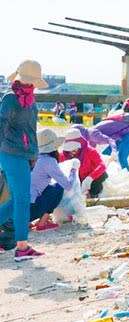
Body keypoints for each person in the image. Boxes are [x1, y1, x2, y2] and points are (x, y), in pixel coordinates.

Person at [0, 60, 47, 260]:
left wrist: (34, 154)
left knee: (16, 199)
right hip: (11, 153)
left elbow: (31, 130)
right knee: (22, 199)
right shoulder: (11, 98)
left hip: (23, 154)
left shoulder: (29, 99)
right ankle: (22, 247)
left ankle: (21, 245)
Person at [31, 129, 79, 231]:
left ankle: (28, 222)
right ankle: (42, 222)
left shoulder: (34, 158)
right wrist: (73, 171)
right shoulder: (49, 160)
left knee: (47, 188)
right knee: (58, 187)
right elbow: (68, 185)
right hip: (32, 208)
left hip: (21, 208)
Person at [83, 96, 129, 171]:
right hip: (121, 134)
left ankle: (128, 175)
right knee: (104, 155)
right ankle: (103, 172)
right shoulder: (91, 134)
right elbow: (91, 151)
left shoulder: (92, 133)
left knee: (121, 157)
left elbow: (109, 141)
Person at [61, 128, 107, 198]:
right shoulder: (63, 155)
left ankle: (93, 195)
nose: (72, 151)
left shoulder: (90, 151)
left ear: (81, 143)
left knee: (98, 181)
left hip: (93, 177)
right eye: (70, 149)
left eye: (74, 148)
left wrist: (90, 178)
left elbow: (102, 165)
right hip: (77, 179)